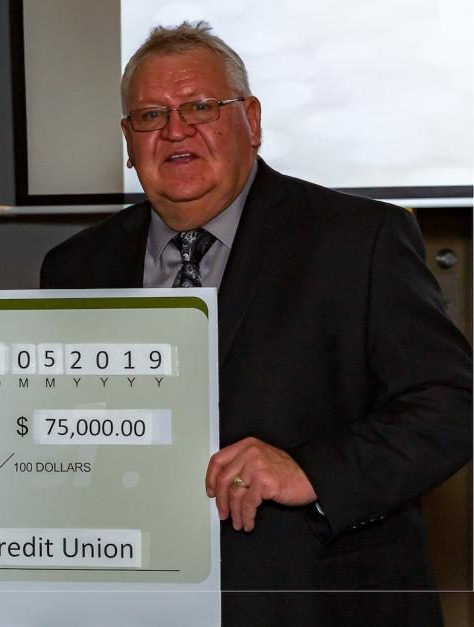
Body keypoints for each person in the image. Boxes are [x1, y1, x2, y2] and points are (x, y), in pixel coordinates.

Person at [38, 21, 471, 626]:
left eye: (201, 106)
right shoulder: (72, 269)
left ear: (253, 120)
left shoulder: (359, 239)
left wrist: (312, 471)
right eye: (149, 116)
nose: (175, 129)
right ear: (128, 141)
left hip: (322, 600)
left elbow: (451, 405)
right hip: (138, 600)